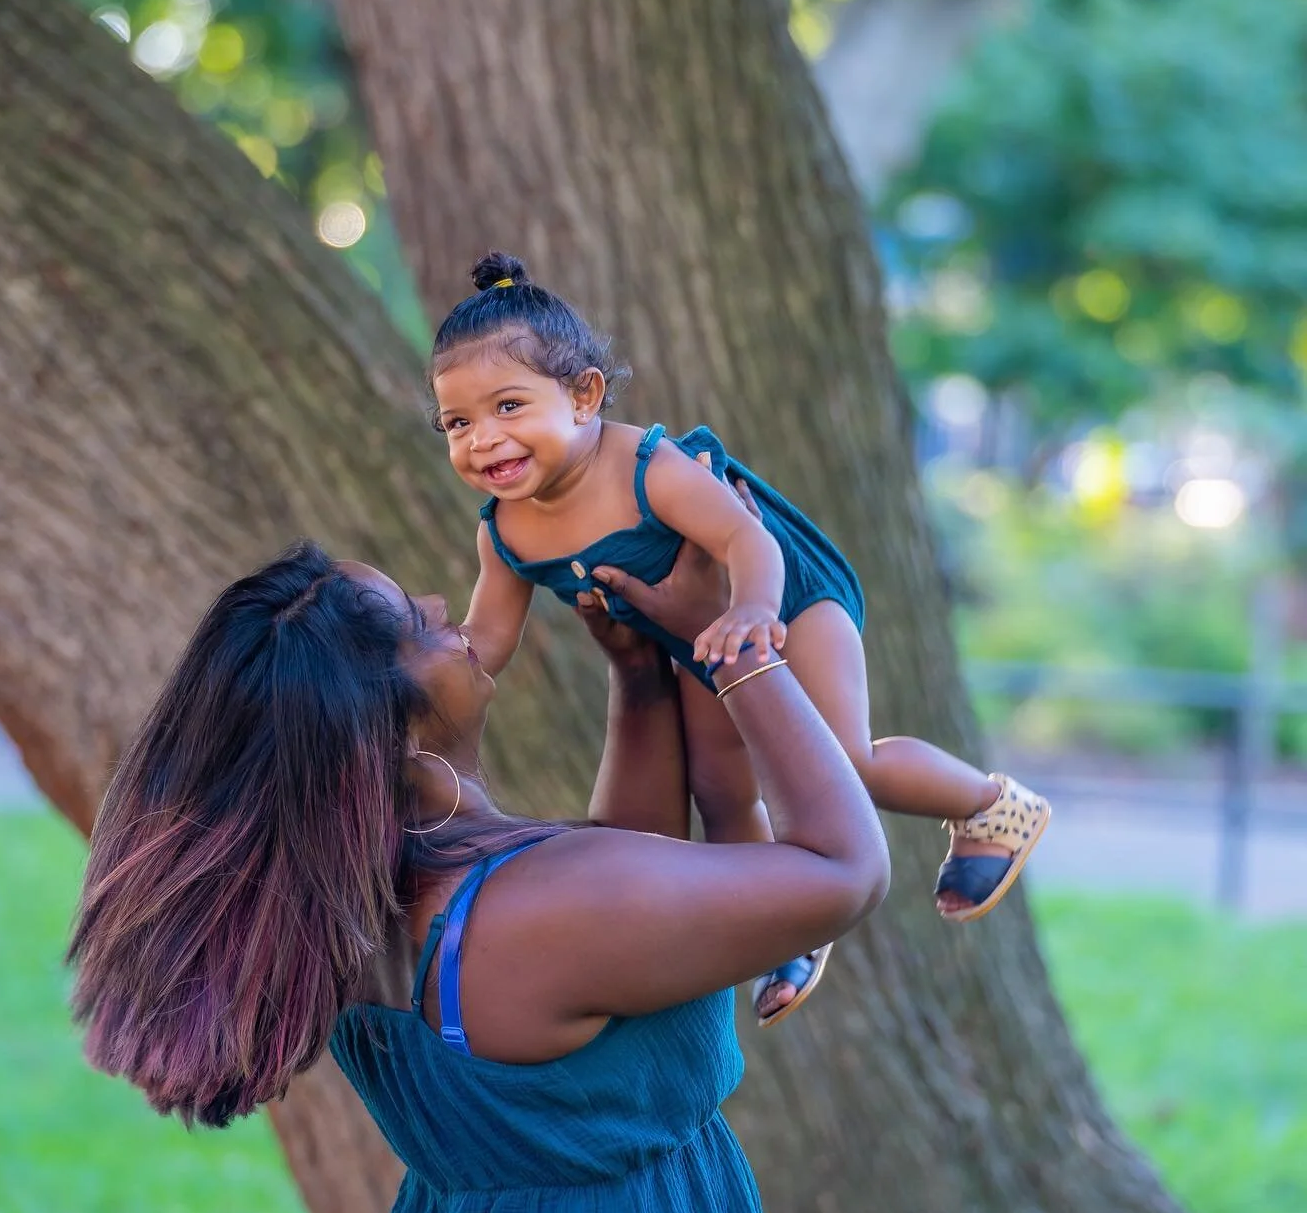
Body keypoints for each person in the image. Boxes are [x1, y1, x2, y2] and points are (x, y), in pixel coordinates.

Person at [66, 515, 889, 1213]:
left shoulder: (359, 902)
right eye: (418, 625)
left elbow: (625, 912)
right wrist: (742, 647)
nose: (440, 605)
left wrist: (641, 680)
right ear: (388, 733)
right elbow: (843, 870)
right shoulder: (535, 909)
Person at [432, 251, 1051, 1026]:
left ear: (584, 396)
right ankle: (784, 923)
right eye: (459, 423)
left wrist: (755, 610)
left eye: (508, 407)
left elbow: (745, 538)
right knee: (724, 793)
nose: (484, 439)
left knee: (841, 761)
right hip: (699, 640)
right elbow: (487, 639)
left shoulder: (646, 468)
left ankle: (993, 805)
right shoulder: (505, 531)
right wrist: (420, 683)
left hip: (785, 600)